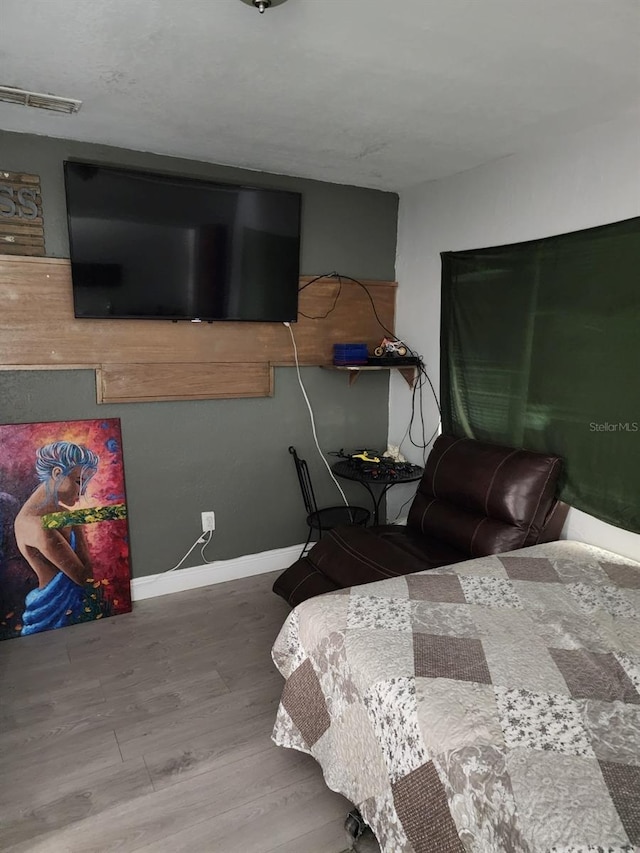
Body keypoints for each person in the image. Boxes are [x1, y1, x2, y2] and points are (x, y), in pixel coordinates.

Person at [14, 441, 99, 636]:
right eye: (79, 481)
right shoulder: (34, 524)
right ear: (57, 474)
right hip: (51, 611)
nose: (83, 492)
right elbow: (83, 576)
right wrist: (78, 526)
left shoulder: (62, 514)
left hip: (75, 607)